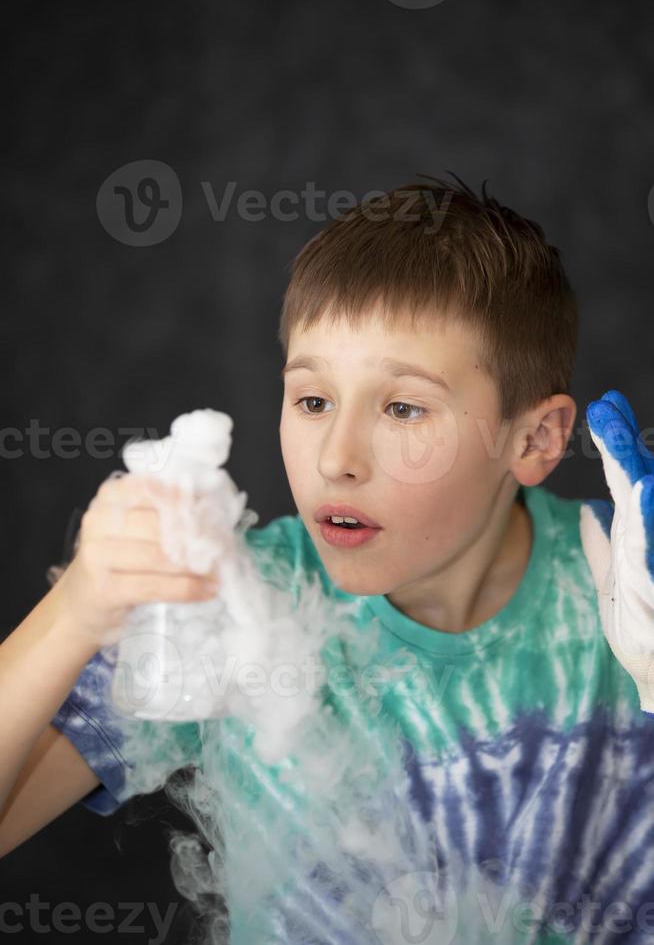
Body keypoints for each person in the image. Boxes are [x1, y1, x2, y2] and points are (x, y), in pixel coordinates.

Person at [2, 175, 653, 944]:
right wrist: (75, 610)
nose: (336, 459)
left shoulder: (630, 590)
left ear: (536, 440)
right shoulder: (232, 602)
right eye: (313, 401)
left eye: (403, 407)